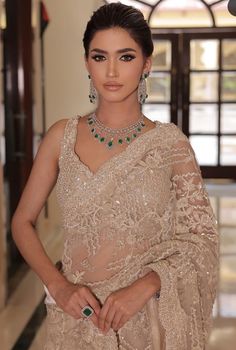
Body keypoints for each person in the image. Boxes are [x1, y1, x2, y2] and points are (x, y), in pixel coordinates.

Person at [11, 2, 219, 349]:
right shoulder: (61, 137)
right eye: (99, 56)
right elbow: (22, 221)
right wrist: (59, 286)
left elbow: (203, 242)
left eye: (125, 57)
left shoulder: (170, 145)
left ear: (146, 64)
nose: (111, 71)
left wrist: (149, 283)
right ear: (86, 63)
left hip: (146, 322)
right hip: (77, 320)